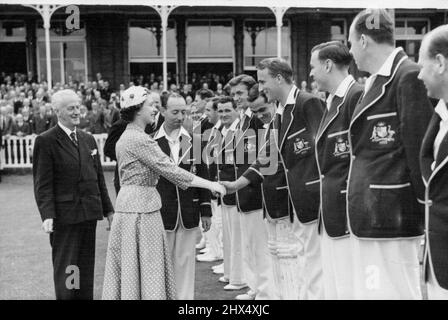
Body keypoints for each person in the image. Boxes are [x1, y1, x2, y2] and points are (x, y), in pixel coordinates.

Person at [102, 86, 225, 300]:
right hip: (141, 210)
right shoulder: (139, 138)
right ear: (137, 109)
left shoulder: (133, 136)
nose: (155, 110)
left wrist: (205, 203)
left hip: (141, 208)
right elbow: (171, 171)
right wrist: (211, 185)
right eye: (151, 105)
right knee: (148, 267)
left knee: (144, 267)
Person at [347, 9, 433, 299]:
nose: (350, 52)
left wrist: (426, 212)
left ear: (362, 41)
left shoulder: (407, 76)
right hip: (374, 215)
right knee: (373, 291)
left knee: (393, 292)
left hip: (391, 215)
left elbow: (419, 151)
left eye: (349, 44)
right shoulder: (376, 80)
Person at [222, 58, 325, 300]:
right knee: (290, 258)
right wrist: (237, 184)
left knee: (310, 262)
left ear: (278, 78)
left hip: (310, 198)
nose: (260, 86)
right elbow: (267, 155)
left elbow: (324, 149)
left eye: (262, 80)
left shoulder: (308, 103)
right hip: (292, 201)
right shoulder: (280, 111)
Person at [32, 89, 114, 300]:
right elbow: (43, 183)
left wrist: (109, 210)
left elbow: (98, 179)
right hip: (65, 218)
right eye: (71, 108)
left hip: (88, 215)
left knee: (84, 270)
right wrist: (47, 215)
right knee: (69, 269)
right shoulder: (46, 141)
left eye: (78, 107)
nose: (77, 112)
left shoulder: (88, 139)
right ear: (57, 111)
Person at [309, 41, 364, 299]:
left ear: (328, 65)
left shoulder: (356, 96)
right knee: (334, 286)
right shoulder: (334, 99)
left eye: (313, 66)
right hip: (331, 212)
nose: (311, 73)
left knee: (347, 287)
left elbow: (361, 159)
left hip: (346, 214)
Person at [153, 93, 212, 299]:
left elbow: (203, 175)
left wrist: (206, 210)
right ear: (162, 111)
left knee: (186, 263)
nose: (180, 116)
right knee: (161, 265)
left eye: (183, 112)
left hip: (189, 211)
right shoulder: (151, 141)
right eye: (175, 111)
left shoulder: (195, 140)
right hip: (160, 213)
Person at [228, 74, 276, 300]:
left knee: (261, 247)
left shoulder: (259, 119)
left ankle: (265, 292)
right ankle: (256, 287)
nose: (236, 98)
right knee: (250, 245)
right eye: (234, 94)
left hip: (256, 189)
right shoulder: (244, 119)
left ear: (252, 91)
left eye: (240, 93)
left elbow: (265, 156)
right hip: (244, 191)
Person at [417, 24, 448, 300]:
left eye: (422, 65)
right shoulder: (438, 114)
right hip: (438, 259)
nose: (419, 74)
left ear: (440, 63)